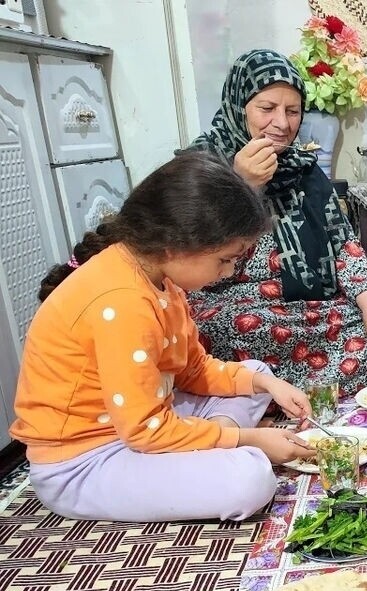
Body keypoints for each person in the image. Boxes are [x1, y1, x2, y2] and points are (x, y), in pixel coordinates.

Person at [10, 152, 317, 523]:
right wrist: (250, 441)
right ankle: (212, 442)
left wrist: (266, 382)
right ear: (176, 245)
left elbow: (192, 370)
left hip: (141, 422)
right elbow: (143, 429)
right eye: (224, 259)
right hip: (84, 463)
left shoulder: (160, 279)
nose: (230, 270)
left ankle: (205, 439)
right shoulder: (122, 302)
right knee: (249, 478)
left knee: (254, 375)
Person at [188, 49, 367, 394]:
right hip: (244, 310)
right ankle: (292, 388)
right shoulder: (199, 166)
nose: (282, 123)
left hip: (318, 308)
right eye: (267, 108)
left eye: (292, 111)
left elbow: (343, 245)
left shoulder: (303, 168)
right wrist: (241, 185)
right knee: (226, 329)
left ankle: (283, 391)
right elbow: (188, 254)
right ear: (239, 106)